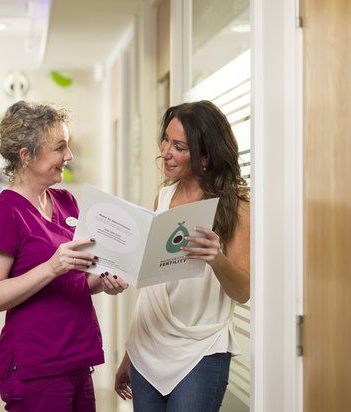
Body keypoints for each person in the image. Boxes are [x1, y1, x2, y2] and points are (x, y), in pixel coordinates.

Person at [0, 101, 128, 412]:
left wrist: (104, 280)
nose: (68, 156)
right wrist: (51, 267)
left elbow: (74, 281)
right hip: (36, 366)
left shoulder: (65, 201)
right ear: (26, 155)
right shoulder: (1, 213)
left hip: (77, 356)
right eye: (59, 148)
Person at [114, 100, 250, 412]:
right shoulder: (163, 197)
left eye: (179, 146)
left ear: (204, 155)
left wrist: (215, 257)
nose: (165, 152)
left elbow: (242, 290)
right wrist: (129, 352)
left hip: (201, 350)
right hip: (146, 345)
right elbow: (152, 282)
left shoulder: (237, 206)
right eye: (165, 140)